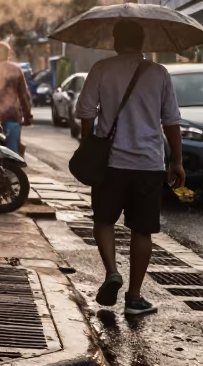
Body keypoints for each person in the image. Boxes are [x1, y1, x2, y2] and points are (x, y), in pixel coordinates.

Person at [75, 19, 186, 317]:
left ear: (115, 40)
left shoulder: (101, 69)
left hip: (110, 163)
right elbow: (171, 121)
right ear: (142, 41)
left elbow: (85, 112)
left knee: (103, 221)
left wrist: (89, 142)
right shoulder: (159, 73)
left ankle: (112, 271)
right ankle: (134, 297)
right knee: (142, 230)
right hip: (148, 164)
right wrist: (176, 160)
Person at [0, 42, 33, 152]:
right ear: (8, 54)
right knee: (12, 153)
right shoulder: (15, 69)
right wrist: (27, 115)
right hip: (12, 117)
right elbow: (23, 95)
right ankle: (12, 168)